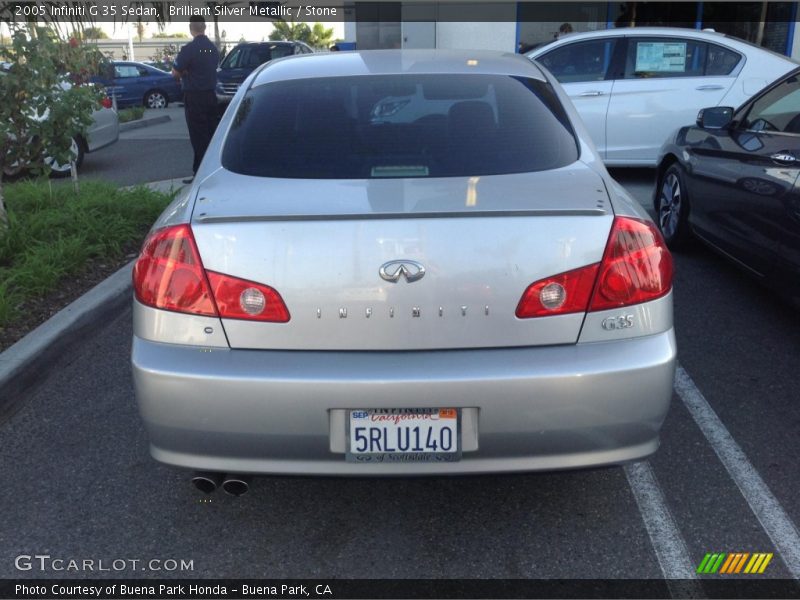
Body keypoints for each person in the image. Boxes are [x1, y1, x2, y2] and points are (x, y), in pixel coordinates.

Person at [172, 16, 219, 184]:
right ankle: (212, 170)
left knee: (198, 136)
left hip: (194, 97)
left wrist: (186, 73)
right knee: (211, 134)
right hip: (211, 96)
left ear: (191, 29)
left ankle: (200, 175)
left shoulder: (189, 49)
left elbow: (175, 73)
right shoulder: (213, 48)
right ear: (204, 27)